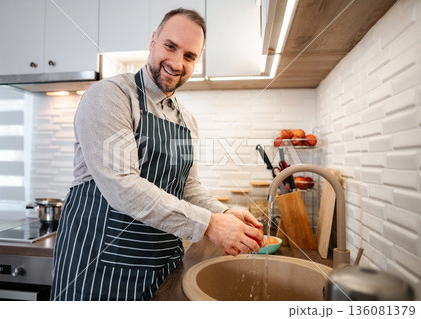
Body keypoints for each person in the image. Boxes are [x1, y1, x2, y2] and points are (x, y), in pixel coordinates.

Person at [50, 8, 264, 301]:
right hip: (99, 272)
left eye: (189, 56)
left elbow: (188, 187)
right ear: (153, 40)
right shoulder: (111, 96)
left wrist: (222, 213)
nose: (177, 63)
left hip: (161, 268)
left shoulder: (186, 120)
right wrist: (211, 225)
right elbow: (123, 187)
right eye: (170, 46)